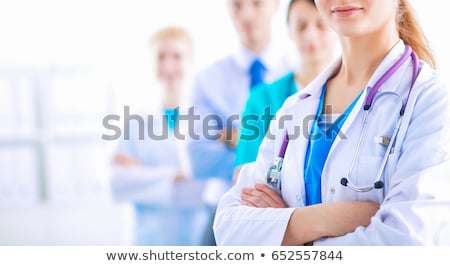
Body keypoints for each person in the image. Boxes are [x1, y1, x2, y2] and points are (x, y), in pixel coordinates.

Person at [214, 0, 450, 245]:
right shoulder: (296, 108)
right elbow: (228, 228)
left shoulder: (431, 100)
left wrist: (286, 235)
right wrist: (318, 220)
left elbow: (404, 242)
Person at [188, 0, 293, 245]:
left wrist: (238, 138)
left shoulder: (298, 75)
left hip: (284, 216)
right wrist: (272, 153)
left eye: (256, 3)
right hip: (222, 213)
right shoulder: (207, 79)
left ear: (275, 5)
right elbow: (198, 159)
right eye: (237, 5)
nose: (246, 14)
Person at [110, 27, 208, 246]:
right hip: (147, 241)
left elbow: (207, 188)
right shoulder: (135, 122)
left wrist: (143, 173)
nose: (168, 66)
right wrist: (176, 175)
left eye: (177, 56)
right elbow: (117, 184)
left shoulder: (207, 121)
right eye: (160, 57)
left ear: (191, 61)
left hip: (196, 239)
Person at [234, 0, 337, 173]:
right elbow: (243, 174)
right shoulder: (262, 99)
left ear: (337, 27)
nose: (311, 35)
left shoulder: (358, 93)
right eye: (301, 26)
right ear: (289, 31)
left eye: (321, 25)